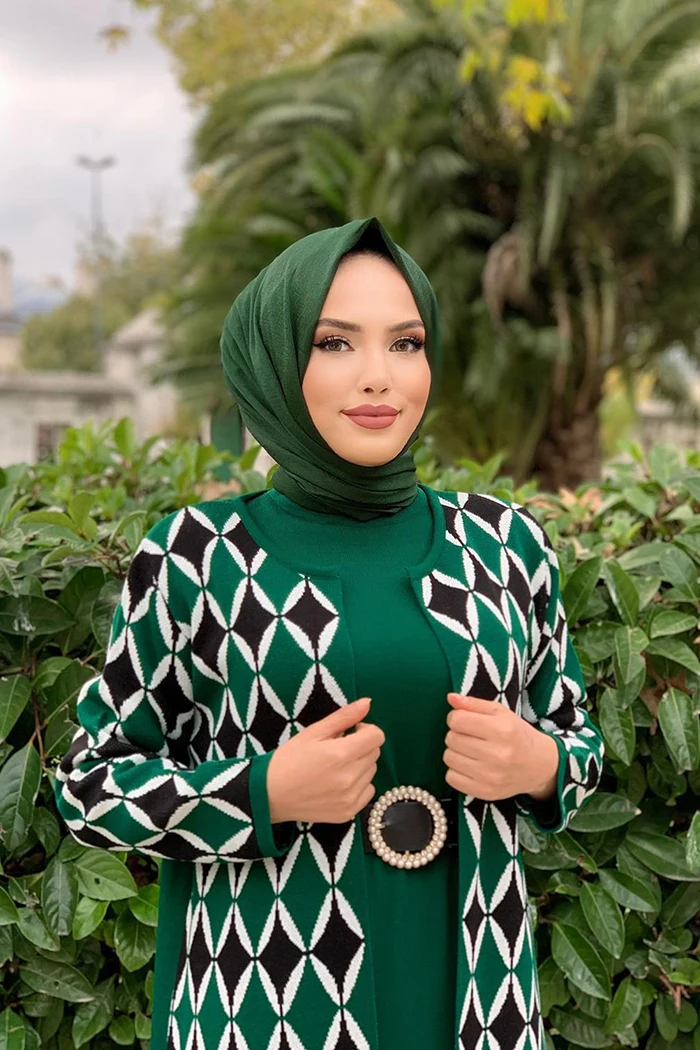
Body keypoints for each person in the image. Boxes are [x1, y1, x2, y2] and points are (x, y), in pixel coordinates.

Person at [53, 216, 604, 1050]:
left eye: (406, 343)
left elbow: (577, 738)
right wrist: (262, 791)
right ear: (275, 360)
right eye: (335, 343)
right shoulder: (198, 557)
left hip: (478, 1000)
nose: (379, 377)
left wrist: (541, 765)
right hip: (270, 1005)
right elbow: (91, 786)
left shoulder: (504, 544)